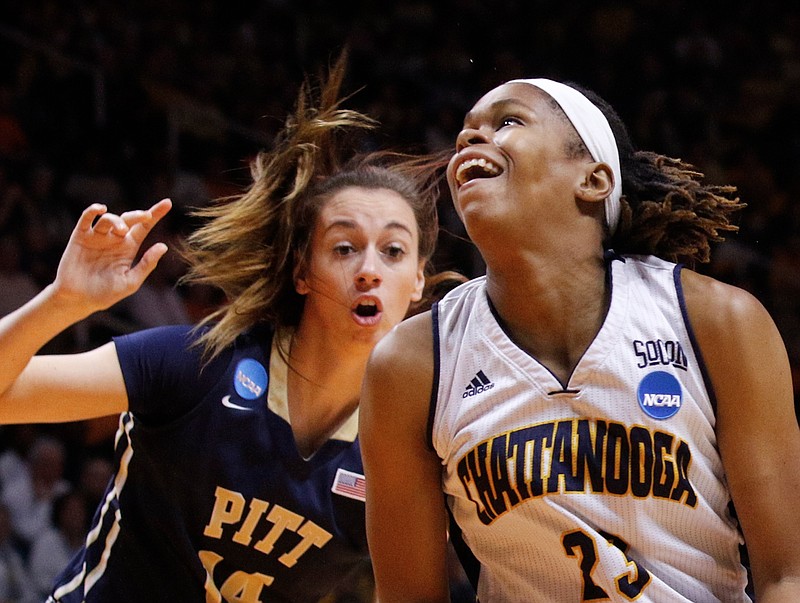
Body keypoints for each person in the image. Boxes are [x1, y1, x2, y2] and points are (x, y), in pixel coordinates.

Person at [0, 56, 460, 602]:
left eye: (392, 251)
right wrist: (61, 303)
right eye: (343, 247)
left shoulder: (404, 448)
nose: (368, 269)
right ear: (301, 272)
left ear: (415, 283)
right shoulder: (196, 364)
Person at [360, 77, 800, 602]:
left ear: (593, 179)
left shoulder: (716, 321)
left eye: (506, 122)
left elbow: (786, 575)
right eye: (464, 133)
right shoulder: (412, 365)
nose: (469, 141)